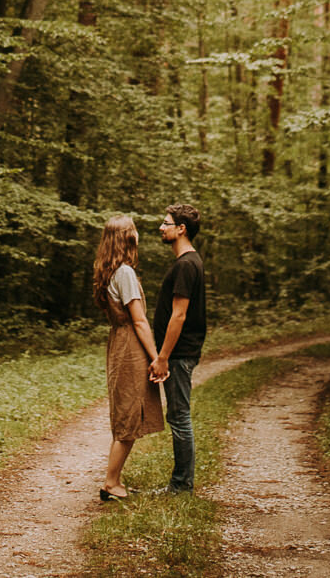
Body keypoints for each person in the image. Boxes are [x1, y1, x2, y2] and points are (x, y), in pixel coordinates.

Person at [92, 214, 163, 501]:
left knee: (127, 411)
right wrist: (157, 357)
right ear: (128, 238)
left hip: (118, 343)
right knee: (129, 413)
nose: (139, 234)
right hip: (129, 347)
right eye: (134, 230)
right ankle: (110, 482)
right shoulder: (125, 274)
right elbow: (140, 321)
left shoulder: (108, 271)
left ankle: (115, 479)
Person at [147, 203, 206, 494]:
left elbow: (179, 315)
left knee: (179, 415)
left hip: (179, 354)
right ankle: (181, 482)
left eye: (166, 223)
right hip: (181, 352)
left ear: (181, 229)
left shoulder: (185, 265)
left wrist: (163, 357)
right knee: (178, 415)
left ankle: (182, 485)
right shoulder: (190, 262)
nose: (161, 227)